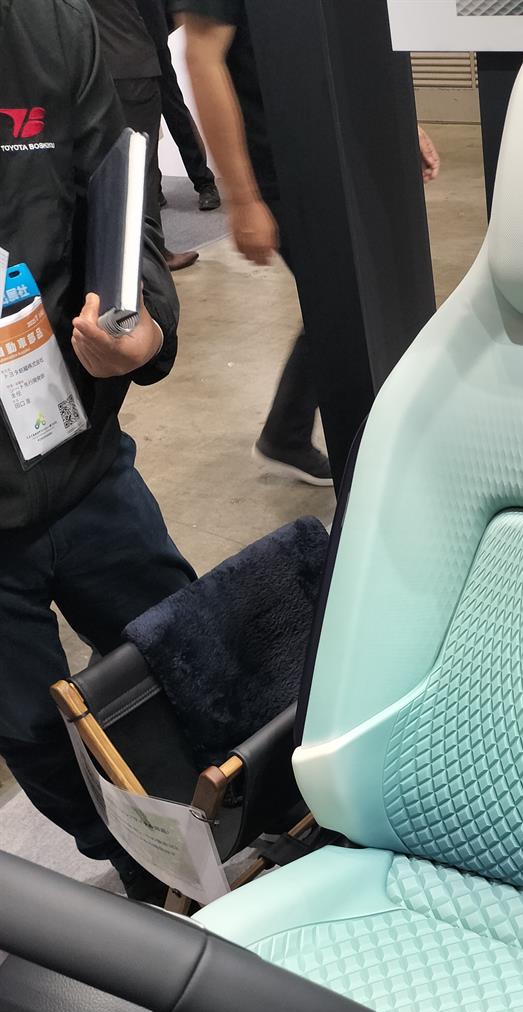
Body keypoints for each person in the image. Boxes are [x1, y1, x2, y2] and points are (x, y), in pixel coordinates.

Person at [0, 0, 194, 901]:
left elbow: (120, 207)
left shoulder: (49, 30)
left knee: (182, 654)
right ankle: (135, 863)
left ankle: (217, 842)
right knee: (36, 735)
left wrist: (142, 328)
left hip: (80, 459)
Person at [171, 0, 440, 488]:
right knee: (341, 306)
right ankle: (306, 440)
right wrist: (244, 198)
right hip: (287, 162)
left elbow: (354, 40)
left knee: (354, 300)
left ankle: (291, 433)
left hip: (345, 151)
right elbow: (202, 58)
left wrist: (401, 122)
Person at [88, 0, 199, 271]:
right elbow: (159, 16)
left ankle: (120, 256)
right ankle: (154, 254)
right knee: (141, 164)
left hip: (96, 71)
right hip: (132, 64)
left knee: (106, 164)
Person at [134, 0, 221, 212]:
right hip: (125, 50)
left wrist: (161, 32)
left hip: (154, 41)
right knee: (139, 121)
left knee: (175, 112)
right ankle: (153, 187)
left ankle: (204, 182)